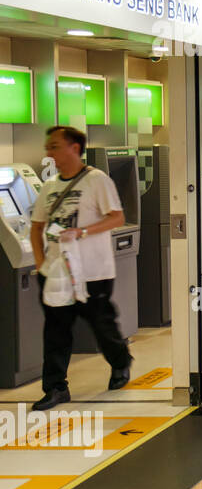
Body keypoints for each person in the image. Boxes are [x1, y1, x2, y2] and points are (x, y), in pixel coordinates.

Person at [28, 126, 132, 411]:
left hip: (93, 272)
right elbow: (36, 228)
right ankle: (56, 388)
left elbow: (117, 218)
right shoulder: (49, 187)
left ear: (74, 148)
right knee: (56, 330)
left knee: (102, 324)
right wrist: (41, 264)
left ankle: (120, 362)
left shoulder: (97, 180)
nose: (49, 152)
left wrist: (83, 232)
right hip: (56, 274)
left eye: (55, 146)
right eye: (48, 147)